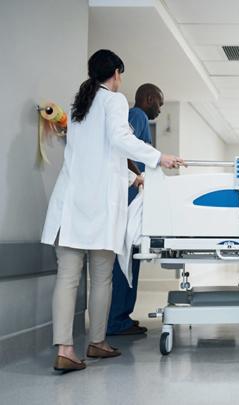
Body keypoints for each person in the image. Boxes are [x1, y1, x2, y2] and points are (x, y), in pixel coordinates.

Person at [41, 49, 184, 373]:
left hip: (71, 202)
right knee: (102, 278)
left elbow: (99, 155)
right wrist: (159, 157)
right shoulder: (114, 100)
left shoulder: (80, 104)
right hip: (99, 208)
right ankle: (97, 341)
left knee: (67, 278)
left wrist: (135, 176)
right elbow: (120, 141)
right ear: (116, 73)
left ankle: (65, 348)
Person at [107, 83, 163, 336]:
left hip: (134, 193)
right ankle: (117, 320)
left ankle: (122, 317)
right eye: (159, 103)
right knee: (126, 257)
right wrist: (138, 174)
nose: (160, 110)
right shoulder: (137, 116)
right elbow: (123, 147)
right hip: (129, 194)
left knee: (131, 256)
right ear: (149, 98)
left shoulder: (140, 119)